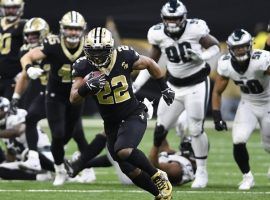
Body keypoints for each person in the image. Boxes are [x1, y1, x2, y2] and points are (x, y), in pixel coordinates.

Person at [70, 27, 174, 200]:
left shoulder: (124, 56)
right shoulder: (82, 66)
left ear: (110, 49)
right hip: (111, 124)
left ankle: (157, 175)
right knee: (128, 169)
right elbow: (73, 98)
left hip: (133, 114)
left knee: (123, 151)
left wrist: (164, 88)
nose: (96, 57)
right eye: (93, 52)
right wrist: (86, 87)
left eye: (101, 52)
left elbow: (150, 63)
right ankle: (160, 195)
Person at [145, 0, 220, 188]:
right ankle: (155, 163)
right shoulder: (157, 33)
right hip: (173, 86)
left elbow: (215, 46)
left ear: (183, 18)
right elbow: (149, 63)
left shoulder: (195, 28)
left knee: (195, 128)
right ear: (163, 18)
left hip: (196, 83)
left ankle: (201, 171)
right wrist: (135, 86)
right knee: (160, 128)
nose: (171, 22)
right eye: (168, 18)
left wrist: (201, 57)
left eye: (175, 18)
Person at [18, 11, 92, 186]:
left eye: (76, 29)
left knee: (68, 134)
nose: (73, 33)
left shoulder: (89, 45)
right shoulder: (53, 43)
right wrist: (29, 69)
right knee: (57, 134)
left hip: (77, 95)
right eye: (69, 29)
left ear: (82, 29)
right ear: (62, 29)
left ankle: (65, 166)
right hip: (55, 94)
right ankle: (59, 169)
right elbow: (27, 56)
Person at [212, 29, 270, 190]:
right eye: (237, 48)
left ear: (250, 46)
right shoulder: (225, 64)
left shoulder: (261, 59)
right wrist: (217, 116)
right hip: (248, 103)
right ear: (230, 48)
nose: (240, 50)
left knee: (268, 146)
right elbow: (217, 91)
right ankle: (247, 177)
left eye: (243, 47)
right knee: (238, 139)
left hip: (268, 102)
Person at [6, 17, 50, 171]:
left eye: (35, 34)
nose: (31, 37)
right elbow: (24, 75)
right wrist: (15, 98)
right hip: (41, 90)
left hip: (60, 91)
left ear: (43, 33)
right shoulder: (25, 50)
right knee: (29, 118)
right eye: (29, 34)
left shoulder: (52, 46)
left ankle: (81, 166)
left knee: (72, 131)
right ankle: (33, 157)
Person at [0, 96, 55, 181]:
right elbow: (12, 151)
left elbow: (18, 131)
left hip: (42, 153)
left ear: (4, 108)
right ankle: (41, 177)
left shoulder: (18, 113)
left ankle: (63, 171)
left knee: (27, 153)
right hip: (26, 162)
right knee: (2, 169)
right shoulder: (2, 128)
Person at [0, 0, 26, 99]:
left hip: (14, 77)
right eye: (8, 8)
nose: (11, 10)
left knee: (10, 111)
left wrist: (23, 73)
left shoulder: (24, 26)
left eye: (14, 7)